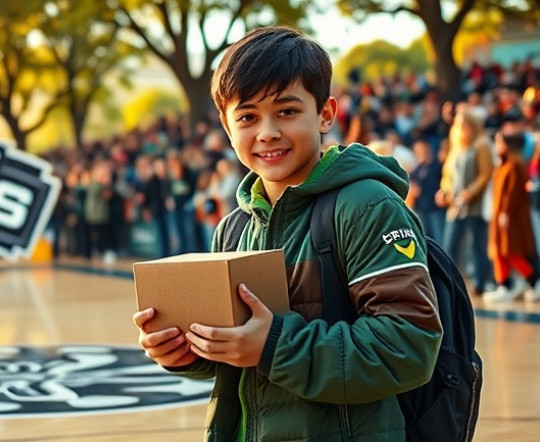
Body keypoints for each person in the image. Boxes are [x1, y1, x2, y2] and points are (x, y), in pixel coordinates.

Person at [133, 26, 442, 441]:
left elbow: (408, 347)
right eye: (247, 117)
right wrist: (185, 349)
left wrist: (275, 345)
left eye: (287, 111)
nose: (267, 132)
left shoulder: (366, 206)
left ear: (326, 115)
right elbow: (238, 353)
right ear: (226, 127)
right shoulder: (234, 227)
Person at [436, 109, 495, 295]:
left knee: (478, 246)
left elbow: (486, 174)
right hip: (455, 205)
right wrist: (444, 191)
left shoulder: (482, 144)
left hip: (474, 205)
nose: (462, 128)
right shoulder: (457, 145)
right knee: (448, 246)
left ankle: (481, 283)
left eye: (465, 124)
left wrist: (471, 192)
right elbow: (447, 174)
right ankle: (446, 283)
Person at [484, 132, 540, 302]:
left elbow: (512, 193)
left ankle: (534, 280)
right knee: (498, 252)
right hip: (499, 215)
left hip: (511, 218)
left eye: (499, 143)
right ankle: (504, 284)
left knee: (511, 251)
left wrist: (505, 213)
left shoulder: (515, 165)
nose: (496, 146)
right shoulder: (502, 165)